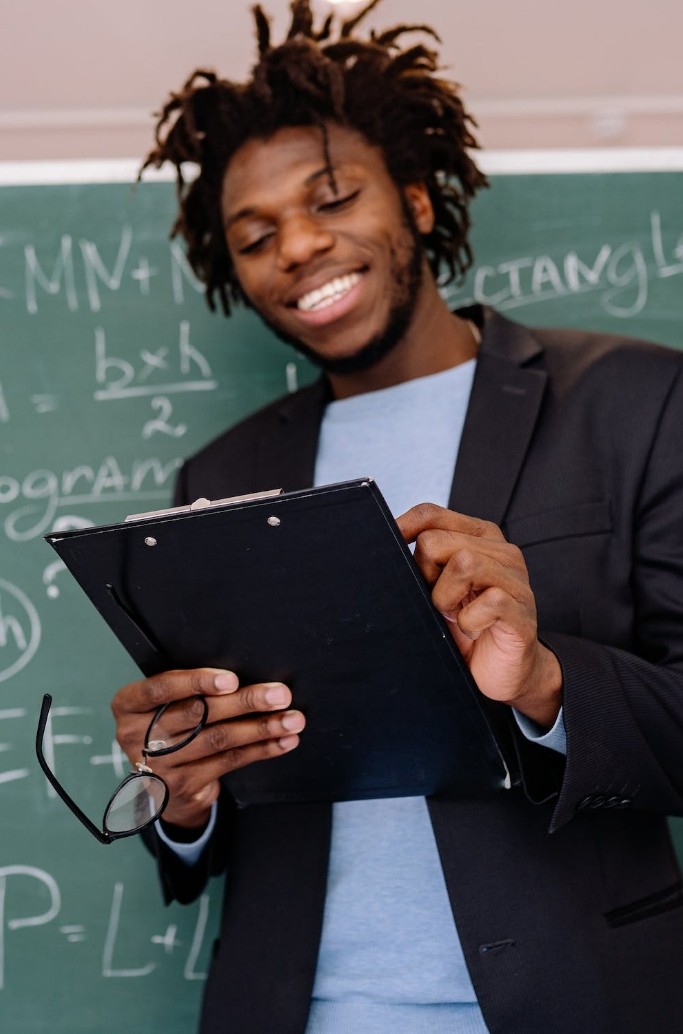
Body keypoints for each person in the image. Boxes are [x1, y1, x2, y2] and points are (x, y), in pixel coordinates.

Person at [112, 2, 683, 1031]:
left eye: (331, 197)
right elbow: (216, 821)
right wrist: (182, 795)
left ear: (417, 201)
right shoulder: (221, 473)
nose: (296, 245)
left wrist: (546, 678)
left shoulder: (633, 402)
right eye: (253, 236)